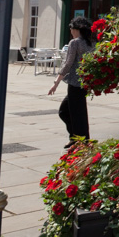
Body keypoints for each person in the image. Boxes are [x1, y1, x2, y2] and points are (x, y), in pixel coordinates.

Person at [49, 16, 95, 147]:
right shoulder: (90, 43)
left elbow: (67, 63)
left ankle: (81, 141)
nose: (70, 31)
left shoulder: (75, 43)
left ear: (77, 29)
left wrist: (56, 82)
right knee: (68, 111)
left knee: (75, 112)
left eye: (71, 28)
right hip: (84, 82)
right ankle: (77, 138)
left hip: (75, 83)